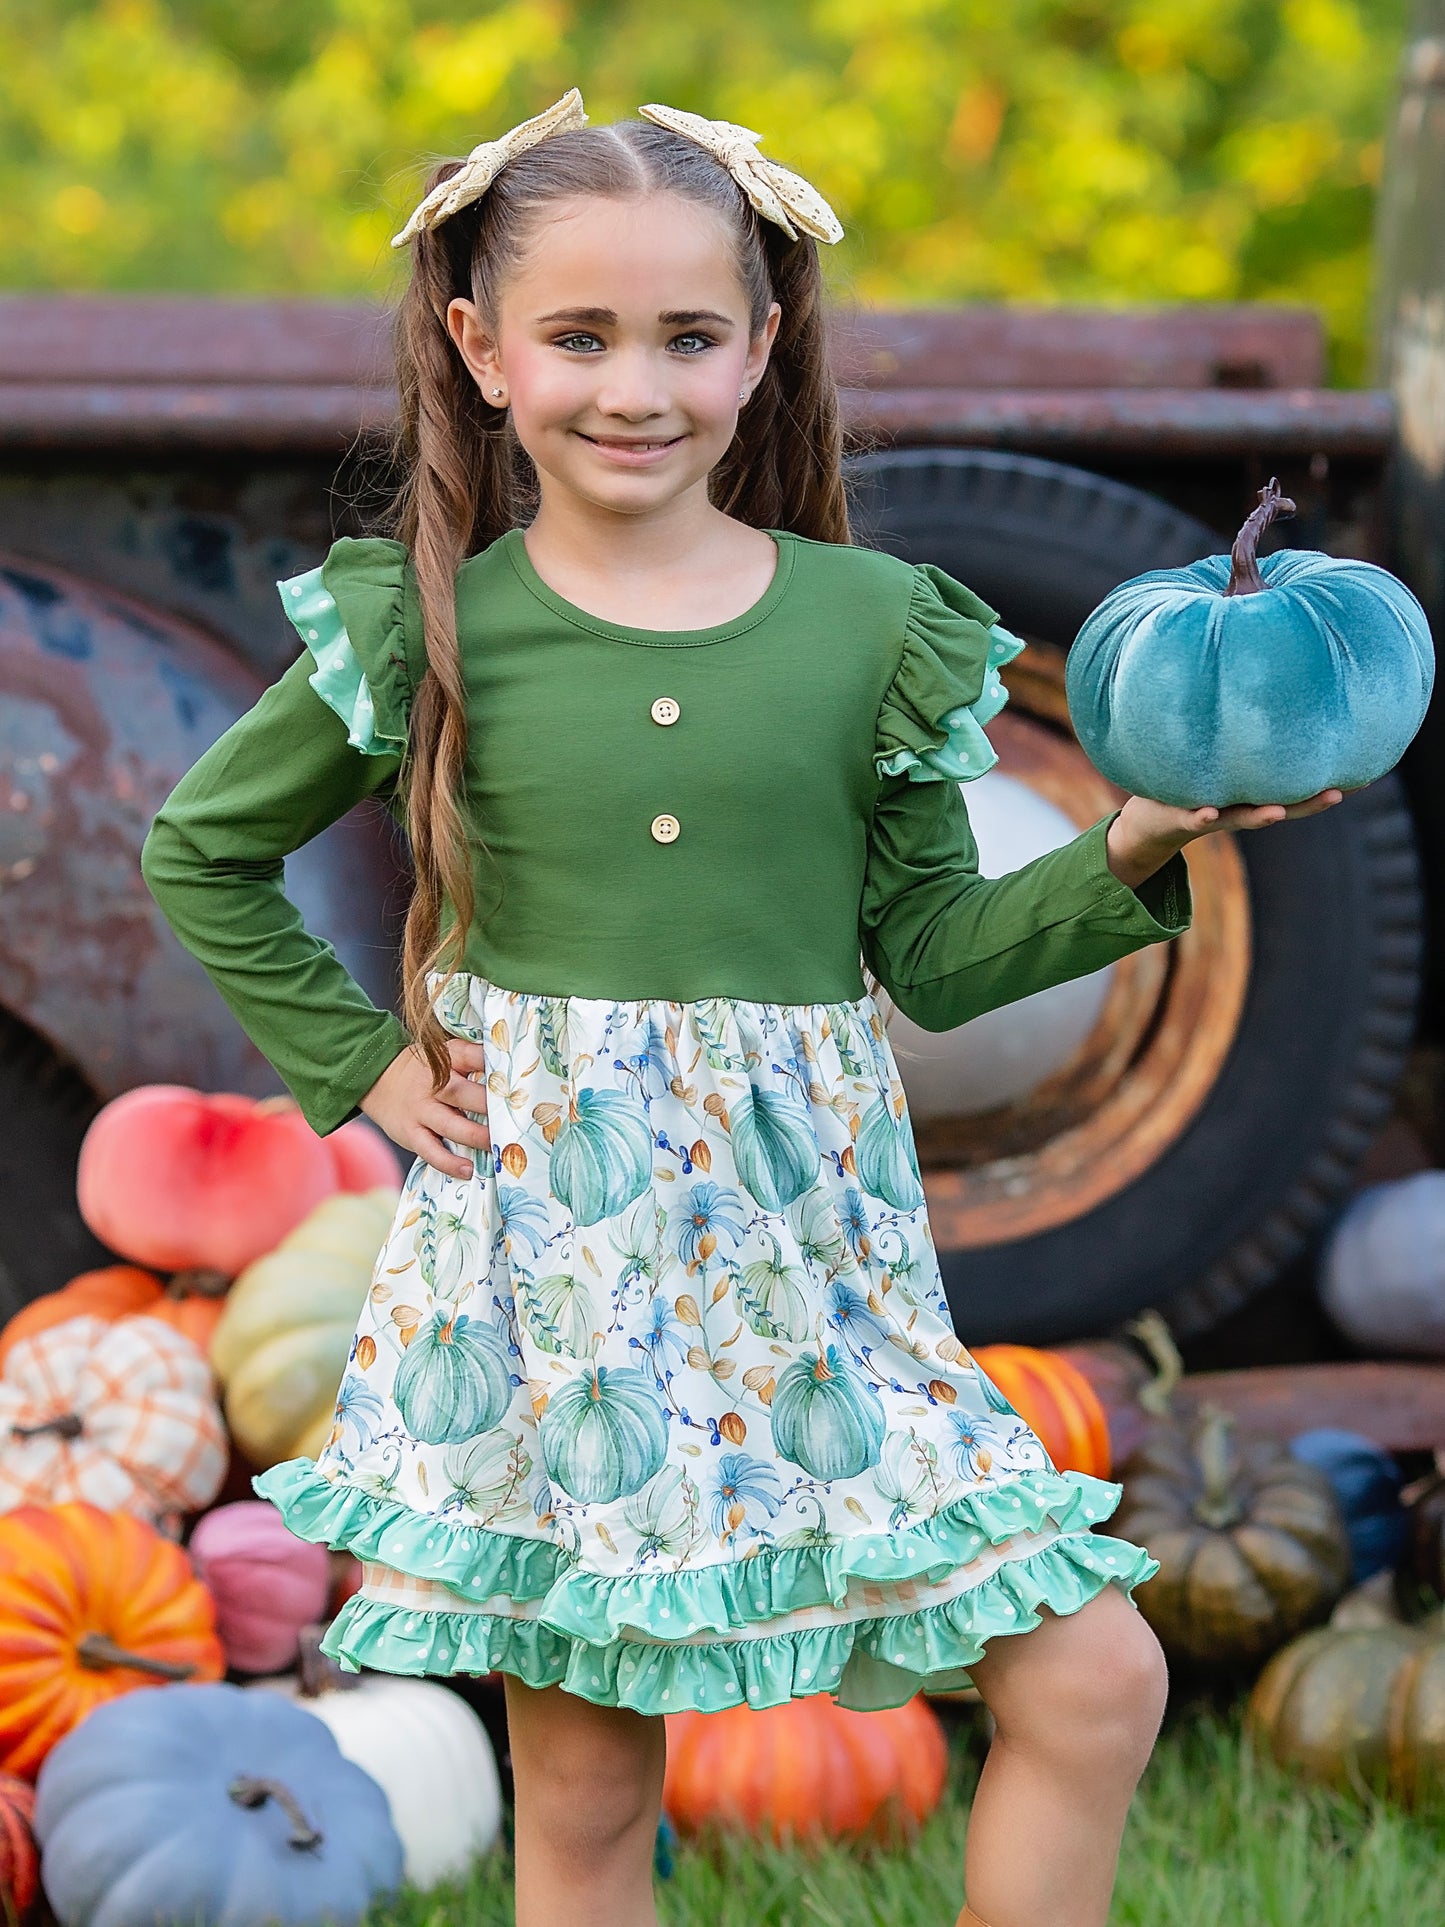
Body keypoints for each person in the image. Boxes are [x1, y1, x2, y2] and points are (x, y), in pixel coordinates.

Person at [141, 88, 1343, 1927]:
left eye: (689, 337)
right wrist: (365, 1067)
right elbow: (201, 851)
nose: (637, 387)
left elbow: (932, 955)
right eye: (581, 335)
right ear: (479, 349)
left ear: (762, 345)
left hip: (820, 1275)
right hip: (556, 1267)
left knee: (1092, 1672)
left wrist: (1130, 841)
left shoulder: (872, 625)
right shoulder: (426, 626)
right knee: (595, 1790)